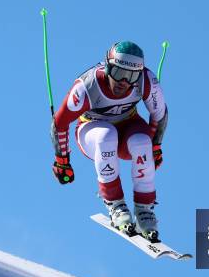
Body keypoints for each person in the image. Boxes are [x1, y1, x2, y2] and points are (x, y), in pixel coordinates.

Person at [50, 41, 168, 242]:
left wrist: (155, 147)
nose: (123, 81)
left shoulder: (146, 81)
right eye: (117, 72)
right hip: (92, 131)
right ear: (107, 66)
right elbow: (60, 123)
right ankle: (115, 203)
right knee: (106, 135)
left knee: (142, 142)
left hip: (128, 126)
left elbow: (160, 114)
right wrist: (62, 161)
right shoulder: (87, 86)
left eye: (131, 76)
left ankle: (144, 210)